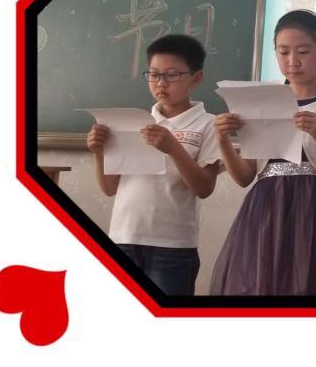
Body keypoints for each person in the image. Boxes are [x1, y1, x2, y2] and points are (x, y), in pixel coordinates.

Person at [209, 9, 316, 295]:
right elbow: (244, 176)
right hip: (268, 208)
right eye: (283, 52)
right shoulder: (261, 100)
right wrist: (223, 140)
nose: (292, 61)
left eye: (303, 51)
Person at [86, 34, 220, 296]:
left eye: (172, 75)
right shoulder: (133, 123)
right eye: (154, 74)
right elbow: (110, 188)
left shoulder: (208, 124)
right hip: (123, 237)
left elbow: (204, 188)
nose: (161, 83)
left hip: (173, 246)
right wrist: (98, 152)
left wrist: (173, 148)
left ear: (196, 78)